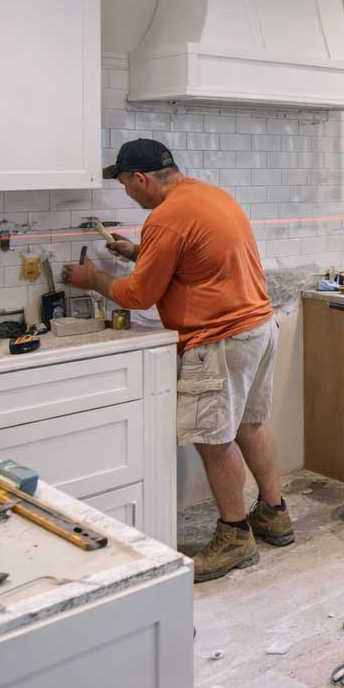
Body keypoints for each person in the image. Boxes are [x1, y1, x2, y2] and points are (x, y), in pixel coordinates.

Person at [64, 139, 291, 582]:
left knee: (214, 439)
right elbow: (193, 259)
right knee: (249, 426)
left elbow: (139, 295)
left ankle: (235, 537)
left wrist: (94, 280)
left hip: (221, 339)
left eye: (126, 185)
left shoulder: (165, 218)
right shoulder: (209, 195)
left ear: (141, 179)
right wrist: (139, 254)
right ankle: (274, 513)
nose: (127, 194)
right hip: (259, 329)